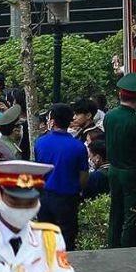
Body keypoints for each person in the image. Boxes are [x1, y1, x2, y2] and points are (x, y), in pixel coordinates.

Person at [33, 103, 87, 242]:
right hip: (68, 198)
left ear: (52, 120)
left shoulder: (40, 142)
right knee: (67, 238)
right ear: (70, 121)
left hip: (45, 197)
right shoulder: (78, 146)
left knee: (46, 238)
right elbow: (83, 176)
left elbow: (38, 169)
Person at [105, 72, 136, 248]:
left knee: (115, 211)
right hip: (131, 173)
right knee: (131, 214)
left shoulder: (109, 116)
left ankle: (112, 245)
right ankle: (127, 247)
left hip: (113, 170)